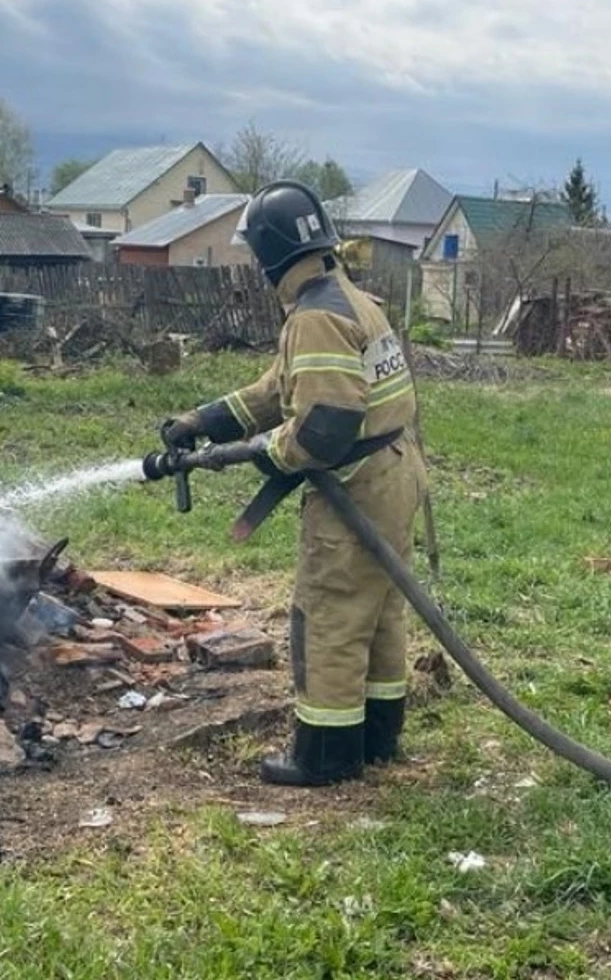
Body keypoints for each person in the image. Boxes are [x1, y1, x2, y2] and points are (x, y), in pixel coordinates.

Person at [154, 179, 429, 786]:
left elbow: (323, 428)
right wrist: (201, 421)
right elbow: (279, 388)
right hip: (394, 473)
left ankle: (325, 757)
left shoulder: (315, 318)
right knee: (378, 609)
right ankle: (378, 739)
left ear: (266, 255)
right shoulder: (347, 300)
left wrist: (267, 452)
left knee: (330, 613)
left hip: (357, 483)